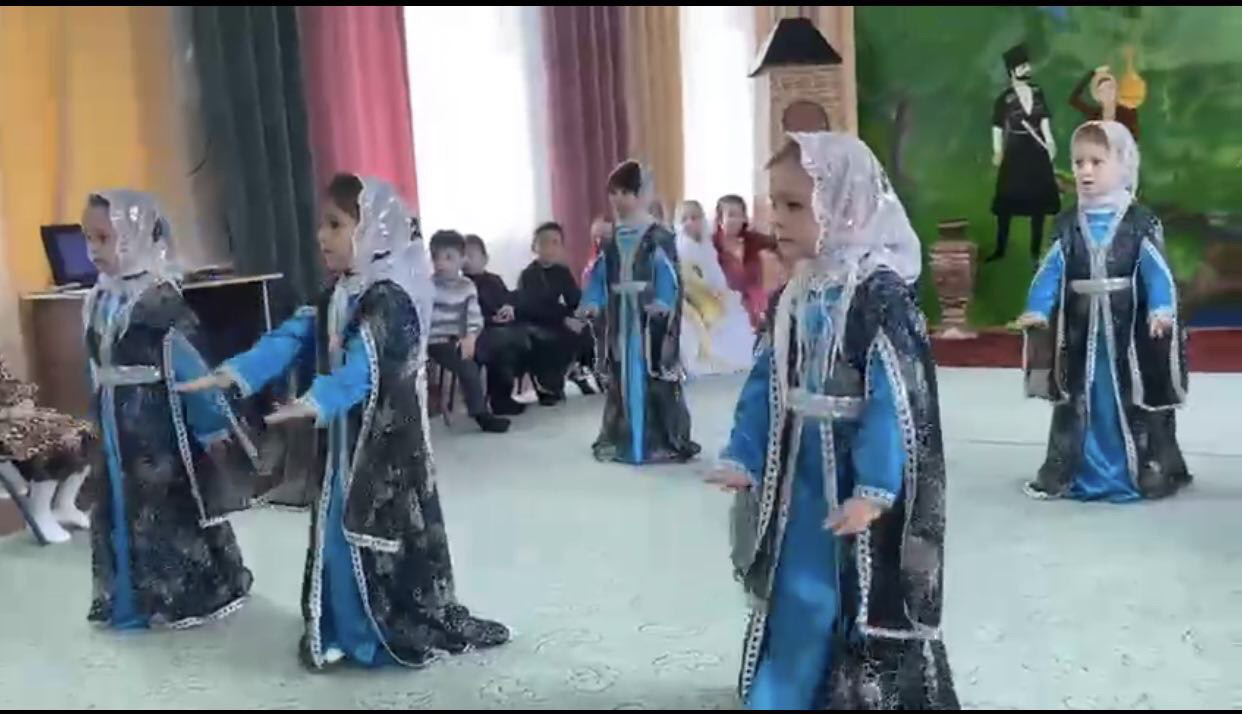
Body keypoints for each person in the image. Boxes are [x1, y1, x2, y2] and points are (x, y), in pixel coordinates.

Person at [180, 175, 509, 670]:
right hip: (341, 438)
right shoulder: (340, 291)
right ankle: (341, 626)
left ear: (372, 229)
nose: (322, 236)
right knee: (335, 527)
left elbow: (364, 368)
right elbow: (293, 336)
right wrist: (234, 372)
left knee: (373, 530)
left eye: (335, 225)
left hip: (383, 442)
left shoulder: (390, 298)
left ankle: (373, 630)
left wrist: (316, 402)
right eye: (323, 224)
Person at [709, 133, 958, 710]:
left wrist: (876, 485)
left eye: (796, 204)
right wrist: (745, 453)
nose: (778, 218)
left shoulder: (878, 296)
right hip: (797, 477)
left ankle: (844, 692)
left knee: (848, 589)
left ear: (844, 204)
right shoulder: (795, 294)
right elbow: (767, 382)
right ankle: (785, 691)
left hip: (851, 476)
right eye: (775, 203)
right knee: (794, 583)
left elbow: (895, 400)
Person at [82, 190, 257, 630]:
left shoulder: (160, 302)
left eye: (104, 238)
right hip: (114, 422)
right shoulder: (99, 298)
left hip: (155, 427)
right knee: (117, 503)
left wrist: (211, 426)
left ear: (136, 235)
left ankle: (180, 592)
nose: (93, 250)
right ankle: (128, 594)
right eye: (88, 238)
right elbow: (97, 363)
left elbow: (191, 369)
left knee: (161, 505)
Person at [1014, 121, 1189, 501]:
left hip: (1128, 339)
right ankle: (1079, 472)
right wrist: (1038, 308)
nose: (1086, 171)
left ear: (1123, 164)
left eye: (1097, 161)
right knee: (1081, 400)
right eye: (1079, 163)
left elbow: (1157, 272)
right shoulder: (1067, 225)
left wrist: (1161, 309)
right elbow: (1051, 270)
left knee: (1127, 399)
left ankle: (1136, 472)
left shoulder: (1139, 222)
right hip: (1080, 336)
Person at [580, 161, 699, 464]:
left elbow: (668, 273)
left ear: (641, 194)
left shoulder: (659, 235)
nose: (618, 199)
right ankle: (625, 439)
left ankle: (660, 440)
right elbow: (600, 272)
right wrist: (593, 299)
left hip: (647, 319)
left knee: (653, 373)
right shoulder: (610, 237)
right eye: (613, 193)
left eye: (625, 192)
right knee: (621, 374)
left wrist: (663, 301)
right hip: (620, 316)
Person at [0, 355, 96, 544]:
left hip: (14, 418)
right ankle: (39, 512)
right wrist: (8, 413)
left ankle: (64, 504)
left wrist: (24, 401)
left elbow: (11, 385)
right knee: (54, 444)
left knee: (85, 435)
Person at [427, 230, 510, 432]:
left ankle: (498, 398)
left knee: (493, 348)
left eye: (448, 257)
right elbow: (421, 319)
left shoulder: (467, 286)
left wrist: (470, 337)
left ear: (462, 259)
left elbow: (474, 317)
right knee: (467, 365)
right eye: (436, 257)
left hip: (463, 338)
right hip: (437, 342)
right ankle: (480, 414)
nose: (441, 263)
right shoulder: (427, 286)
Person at [990, 43, 1062, 263]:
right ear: (1012, 71)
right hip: (1015, 151)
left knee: (1038, 203)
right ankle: (1000, 249)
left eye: (1027, 65)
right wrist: (997, 150)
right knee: (1007, 202)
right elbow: (997, 127)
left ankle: (1034, 252)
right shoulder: (1005, 99)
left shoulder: (1038, 93)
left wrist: (1050, 141)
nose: (1027, 69)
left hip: (1037, 152)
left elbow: (1044, 120)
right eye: (1022, 66)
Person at [517, 222, 595, 405]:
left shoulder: (562, 272)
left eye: (555, 242)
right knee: (553, 337)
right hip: (536, 323)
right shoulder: (528, 275)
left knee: (587, 329)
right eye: (544, 242)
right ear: (534, 246)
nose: (550, 247)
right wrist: (564, 318)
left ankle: (579, 372)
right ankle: (548, 384)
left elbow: (574, 299)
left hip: (560, 320)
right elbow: (532, 307)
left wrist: (584, 311)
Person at [674, 200, 755, 376]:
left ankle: (737, 357)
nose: (689, 223)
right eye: (684, 219)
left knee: (736, 311)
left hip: (708, 292)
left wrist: (720, 289)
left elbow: (714, 271)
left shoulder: (706, 246)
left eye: (694, 218)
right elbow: (689, 278)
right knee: (715, 316)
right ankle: (710, 357)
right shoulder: (681, 247)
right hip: (690, 295)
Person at [463, 234, 529, 416]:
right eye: (463, 255)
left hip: (501, 330)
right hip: (476, 333)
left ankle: (503, 397)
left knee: (513, 341)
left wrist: (509, 307)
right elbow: (466, 316)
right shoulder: (461, 285)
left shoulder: (494, 280)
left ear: (485, 258)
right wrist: (491, 320)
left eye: (471, 255)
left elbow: (508, 298)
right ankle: (499, 400)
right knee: (505, 343)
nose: (466, 260)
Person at [713, 195, 780, 331]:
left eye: (740, 215)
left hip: (757, 311)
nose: (736, 220)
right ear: (720, 219)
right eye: (731, 215)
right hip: (725, 313)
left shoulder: (752, 240)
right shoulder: (711, 246)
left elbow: (778, 242)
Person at [1069, 65, 1139, 140]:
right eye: (1102, 90)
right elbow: (1073, 99)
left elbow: (1134, 138)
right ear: (1097, 96)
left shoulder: (1128, 114)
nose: (1107, 93)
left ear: (1116, 90)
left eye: (1110, 87)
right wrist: (1092, 74)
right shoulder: (1094, 116)